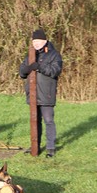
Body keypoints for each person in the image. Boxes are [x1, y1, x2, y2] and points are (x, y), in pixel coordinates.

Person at [19, 29, 63, 157]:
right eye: (34, 41)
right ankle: (35, 146)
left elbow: (55, 71)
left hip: (46, 94)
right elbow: (21, 72)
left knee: (48, 120)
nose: (36, 44)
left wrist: (39, 67)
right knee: (35, 120)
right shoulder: (30, 55)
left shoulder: (54, 55)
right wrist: (28, 68)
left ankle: (50, 148)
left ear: (45, 41)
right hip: (32, 94)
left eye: (38, 41)